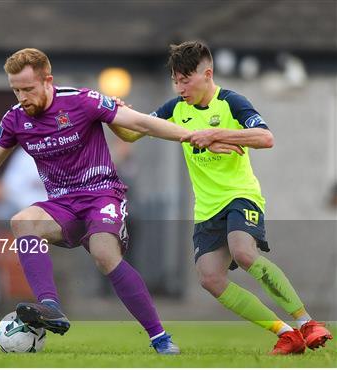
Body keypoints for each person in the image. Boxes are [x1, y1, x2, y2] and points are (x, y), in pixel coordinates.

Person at [0, 48, 235, 354]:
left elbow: (141, 123)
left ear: (48, 81)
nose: (22, 96)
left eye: (28, 88)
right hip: (62, 205)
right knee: (22, 221)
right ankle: (50, 307)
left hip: (102, 194)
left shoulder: (81, 100)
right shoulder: (15, 119)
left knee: (104, 254)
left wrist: (194, 136)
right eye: (16, 89)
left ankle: (160, 337)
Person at [119, 41, 333, 355]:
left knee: (243, 252)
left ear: (207, 74)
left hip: (240, 197)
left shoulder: (232, 102)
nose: (180, 87)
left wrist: (216, 134)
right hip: (206, 208)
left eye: (185, 80)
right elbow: (131, 133)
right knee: (210, 278)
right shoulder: (175, 108)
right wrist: (115, 112)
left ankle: (307, 322)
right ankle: (286, 333)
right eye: (175, 80)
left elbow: (265, 137)